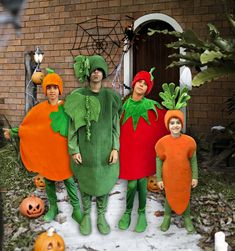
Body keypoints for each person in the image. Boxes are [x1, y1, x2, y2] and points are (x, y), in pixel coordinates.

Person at [3, 69, 82, 224]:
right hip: (48, 152)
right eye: (49, 88)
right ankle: (53, 208)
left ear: (60, 89)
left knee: (69, 181)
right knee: (49, 181)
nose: (52, 91)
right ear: (45, 90)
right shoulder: (39, 110)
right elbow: (29, 128)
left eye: (55, 87)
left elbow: (77, 126)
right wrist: (12, 132)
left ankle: (76, 210)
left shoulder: (67, 108)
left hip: (63, 152)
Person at [64, 55, 122, 235]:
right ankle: (87, 214)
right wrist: (74, 150)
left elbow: (115, 126)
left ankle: (102, 215)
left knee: (104, 182)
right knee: (86, 182)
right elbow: (72, 127)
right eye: (93, 70)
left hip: (105, 151)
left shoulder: (110, 97)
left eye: (99, 70)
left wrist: (115, 148)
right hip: (86, 151)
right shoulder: (79, 96)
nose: (96, 73)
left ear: (103, 73)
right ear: (88, 73)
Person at [118, 69, 168, 233]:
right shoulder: (122, 105)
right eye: (140, 81)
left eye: (146, 84)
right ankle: (127, 212)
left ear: (148, 88)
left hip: (143, 153)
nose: (142, 85)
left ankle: (141, 214)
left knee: (140, 182)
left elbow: (165, 121)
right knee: (132, 185)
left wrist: (174, 113)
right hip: (128, 151)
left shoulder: (151, 106)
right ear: (134, 83)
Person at [155, 108, 198, 233]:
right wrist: (159, 178)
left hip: (185, 175)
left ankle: (187, 217)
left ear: (182, 124)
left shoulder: (189, 142)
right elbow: (159, 160)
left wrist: (195, 176)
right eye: (172, 123)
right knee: (169, 196)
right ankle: (167, 216)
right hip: (169, 176)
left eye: (178, 122)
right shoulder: (162, 143)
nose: (175, 125)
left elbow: (193, 160)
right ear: (168, 125)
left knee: (185, 195)